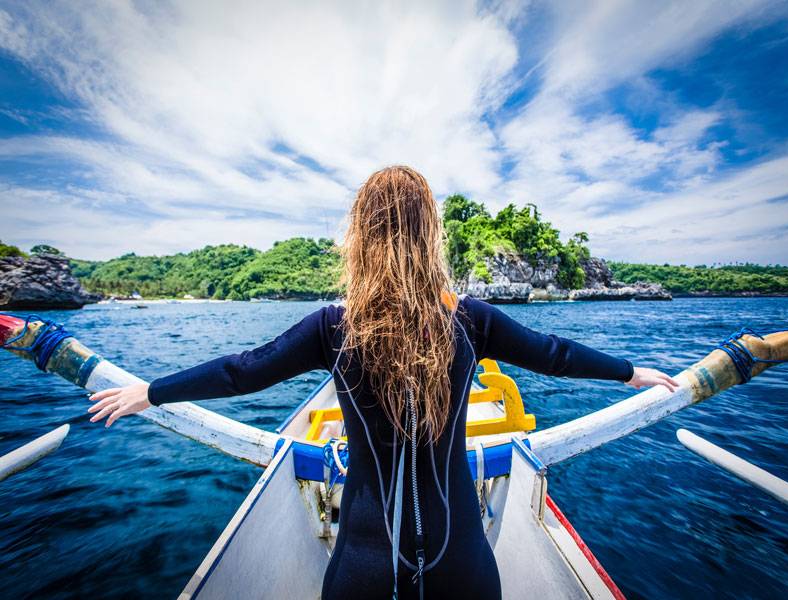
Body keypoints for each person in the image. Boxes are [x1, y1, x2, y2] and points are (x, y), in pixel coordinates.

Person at [87, 166, 678, 600]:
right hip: (464, 566)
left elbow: (243, 369)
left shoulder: (332, 327)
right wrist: (630, 372)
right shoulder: (471, 319)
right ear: (431, 236)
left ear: (359, 237)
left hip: (364, 568)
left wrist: (150, 391)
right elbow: (556, 354)